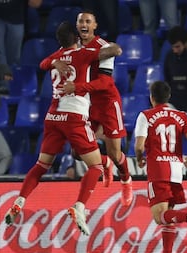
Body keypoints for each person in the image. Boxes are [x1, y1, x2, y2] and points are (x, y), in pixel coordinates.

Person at [4, 21, 119, 236]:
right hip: (74, 117)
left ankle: (19, 201)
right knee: (94, 167)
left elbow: (42, 64)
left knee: (41, 165)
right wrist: (107, 47)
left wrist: (54, 62)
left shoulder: (55, 57)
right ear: (75, 38)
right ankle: (80, 207)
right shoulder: (83, 54)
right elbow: (114, 51)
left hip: (53, 116)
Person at [51, 10, 133, 207]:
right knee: (77, 153)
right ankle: (104, 163)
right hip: (86, 105)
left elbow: (104, 83)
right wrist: (54, 61)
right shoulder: (73, 47)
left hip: (107, 103)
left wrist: (77, 87)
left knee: (115, 152)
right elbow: (51, 60)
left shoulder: (103, 48)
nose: (84, 24)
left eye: (88, 21)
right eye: (80, 21)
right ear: (77, 26)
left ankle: (126, 180)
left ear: (95, 26)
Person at [133, 81, 187, 253]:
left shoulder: (146, 115)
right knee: (168, 217)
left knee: (159, 217)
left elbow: (139, 146)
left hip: (158, 168)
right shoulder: (181, 116)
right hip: (176, 169)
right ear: (169, 97)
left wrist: (140, 159)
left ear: (152, 97)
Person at [0, 0, 42, 66]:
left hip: (16, 16)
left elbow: (36, 3)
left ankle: (12, 73)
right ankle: (3, 75)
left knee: (14, 57)